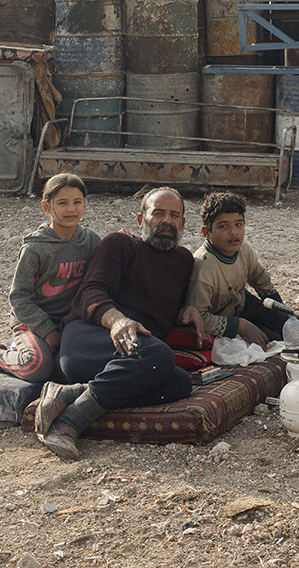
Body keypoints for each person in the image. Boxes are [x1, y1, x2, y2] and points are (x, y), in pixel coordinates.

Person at [35, 188, 205, 460]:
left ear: (184, 223)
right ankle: (70, 423)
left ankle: (67, 394)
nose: (167, 221)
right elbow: (90, 292)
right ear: (141, 219)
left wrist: (187, 309)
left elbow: (157, 305)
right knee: (159, 355)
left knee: (180, 383)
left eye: (175, 215)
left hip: (135, 356)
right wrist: (117, 320)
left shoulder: (184, 261)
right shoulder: (120, 244)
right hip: (87, 339)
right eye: (158, 213)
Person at [0, 173, 101, 381]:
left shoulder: (90, 240)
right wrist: (48, 332)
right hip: (32, 322)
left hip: (71, 323)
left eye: (77, 202)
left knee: (74, 368)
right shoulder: (35, 248)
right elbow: (18, 298)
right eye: (62, 203)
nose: (71, 209)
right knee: (36, 367)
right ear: (46, 207)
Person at [189, 192, 287, 346]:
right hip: (221, 319)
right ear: (206, 232)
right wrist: (241, 326)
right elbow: (199, 318)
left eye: (238, 224)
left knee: (288, 327)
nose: (233, 232)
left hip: (242, 304)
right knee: (267, 340)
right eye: (223, 226)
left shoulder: (244, 249)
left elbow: (262, 282)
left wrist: (283, 314)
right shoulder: (203, 266)